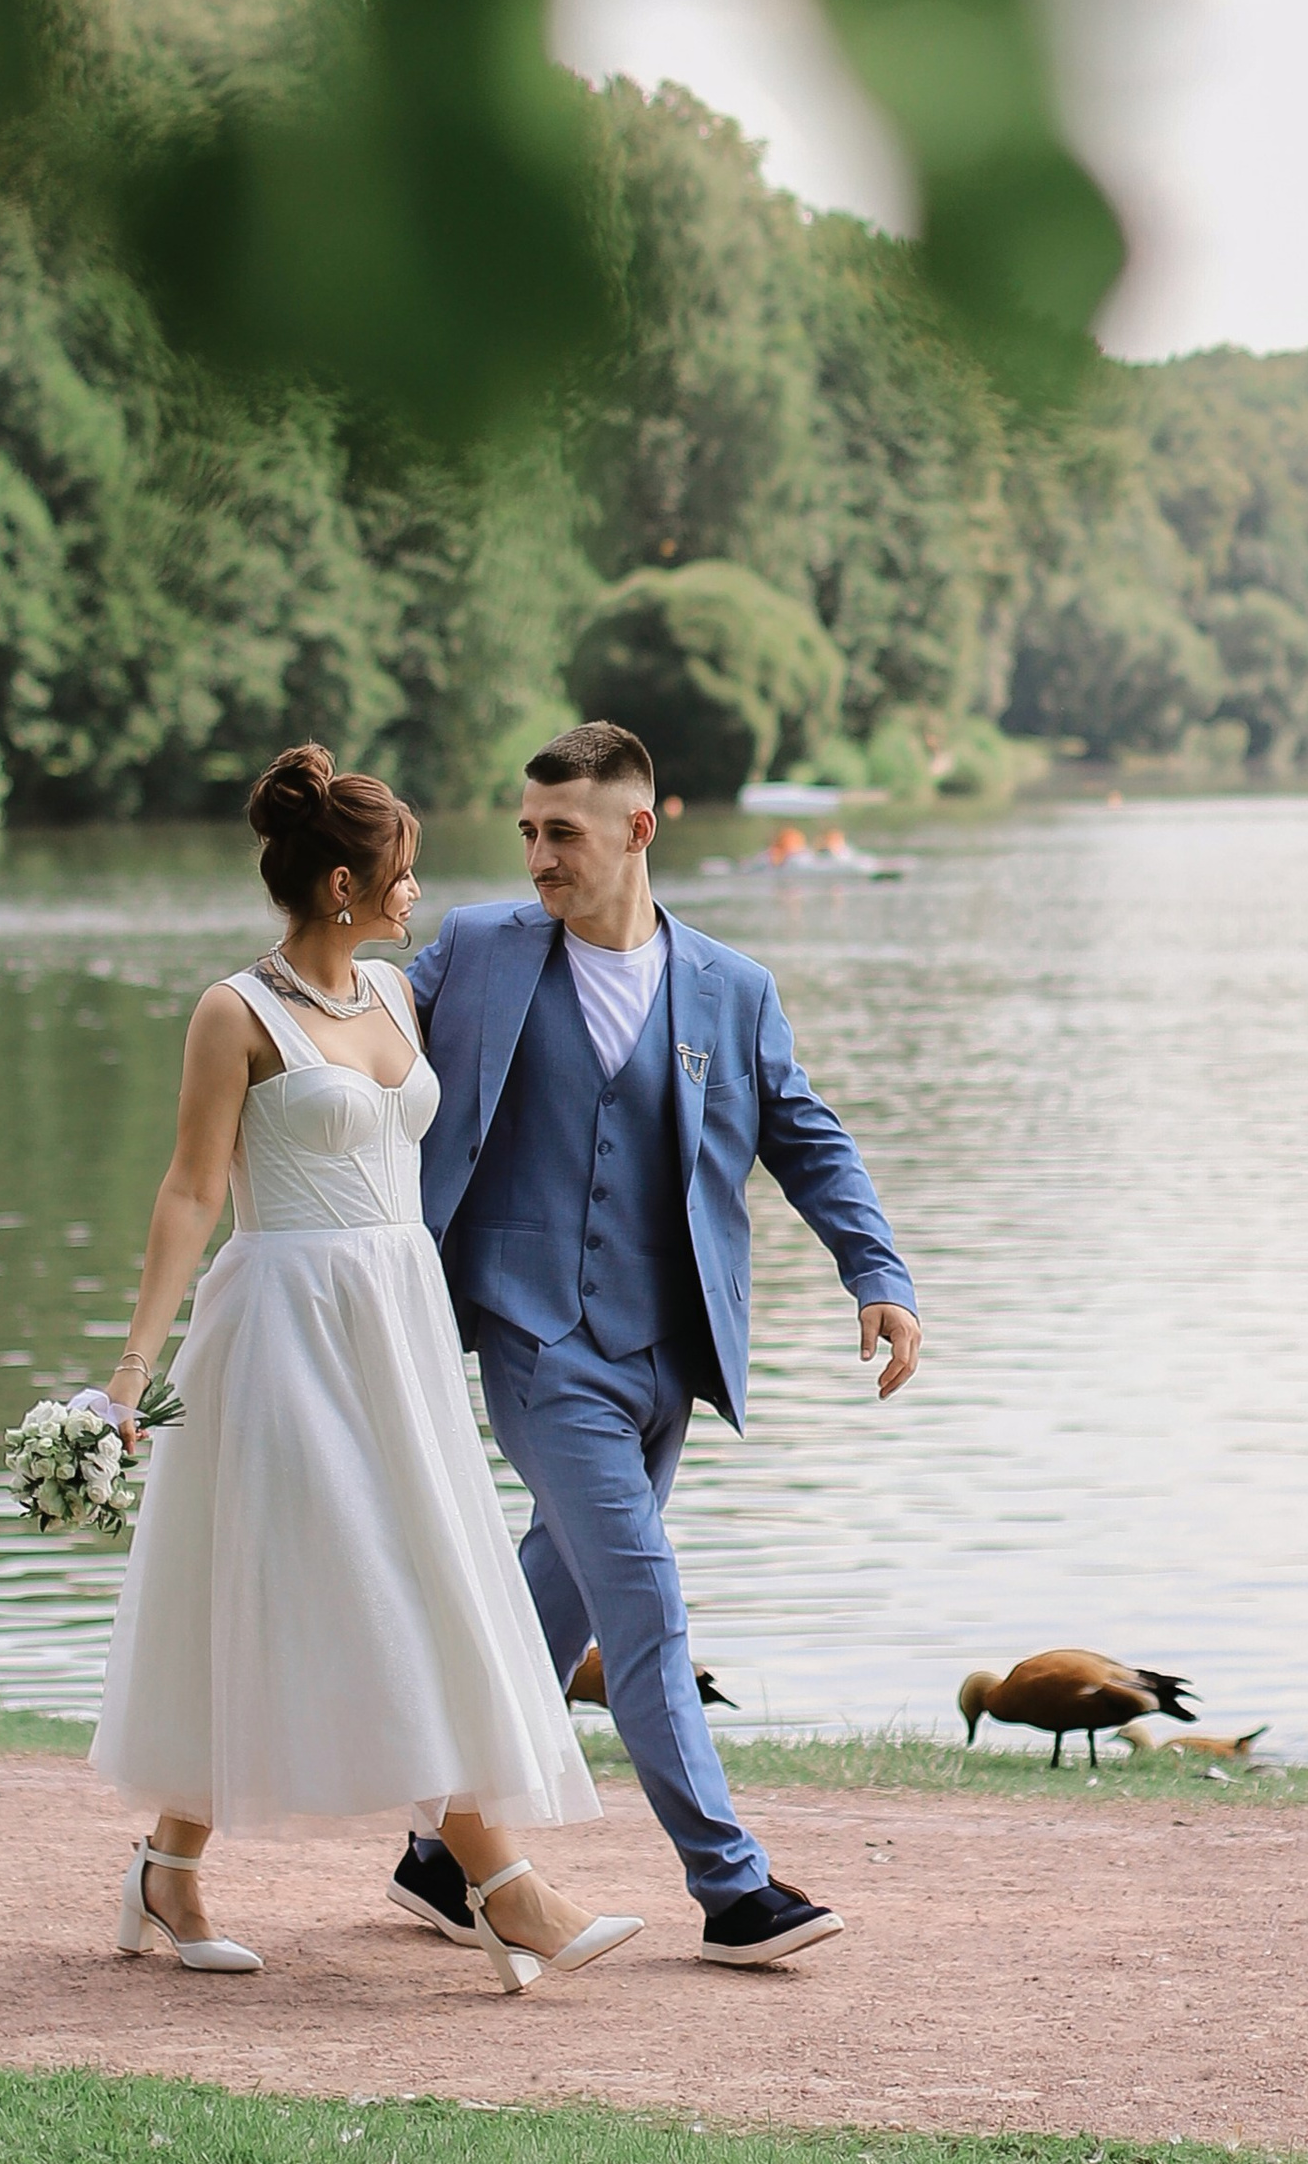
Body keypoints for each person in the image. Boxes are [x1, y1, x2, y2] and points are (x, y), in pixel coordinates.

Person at [88, 746, 643, 1995]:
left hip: (398, 1327)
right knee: (375, 1588)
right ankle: (509, 1892)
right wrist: (129, 1372)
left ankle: (165, 1870)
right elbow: (189, 1193)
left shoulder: (397, 997)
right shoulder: (235, 1012)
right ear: (343, 882)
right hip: (282, 1326)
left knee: (340, 1592)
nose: (416, 893)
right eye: (401, 873)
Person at [393, 719, 920, 1968]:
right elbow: (348, 1033)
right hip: (531, 1336)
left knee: (547, 1606)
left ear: (637, 829)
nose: (537, 857)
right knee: (643, 1602)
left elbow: (806, 1136)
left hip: (667, 1354)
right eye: (526, 833)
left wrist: (876, 1272)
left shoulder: (730, 989)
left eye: (560, 834)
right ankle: (731, 1890)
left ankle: (434, 1853)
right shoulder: (472, 953)